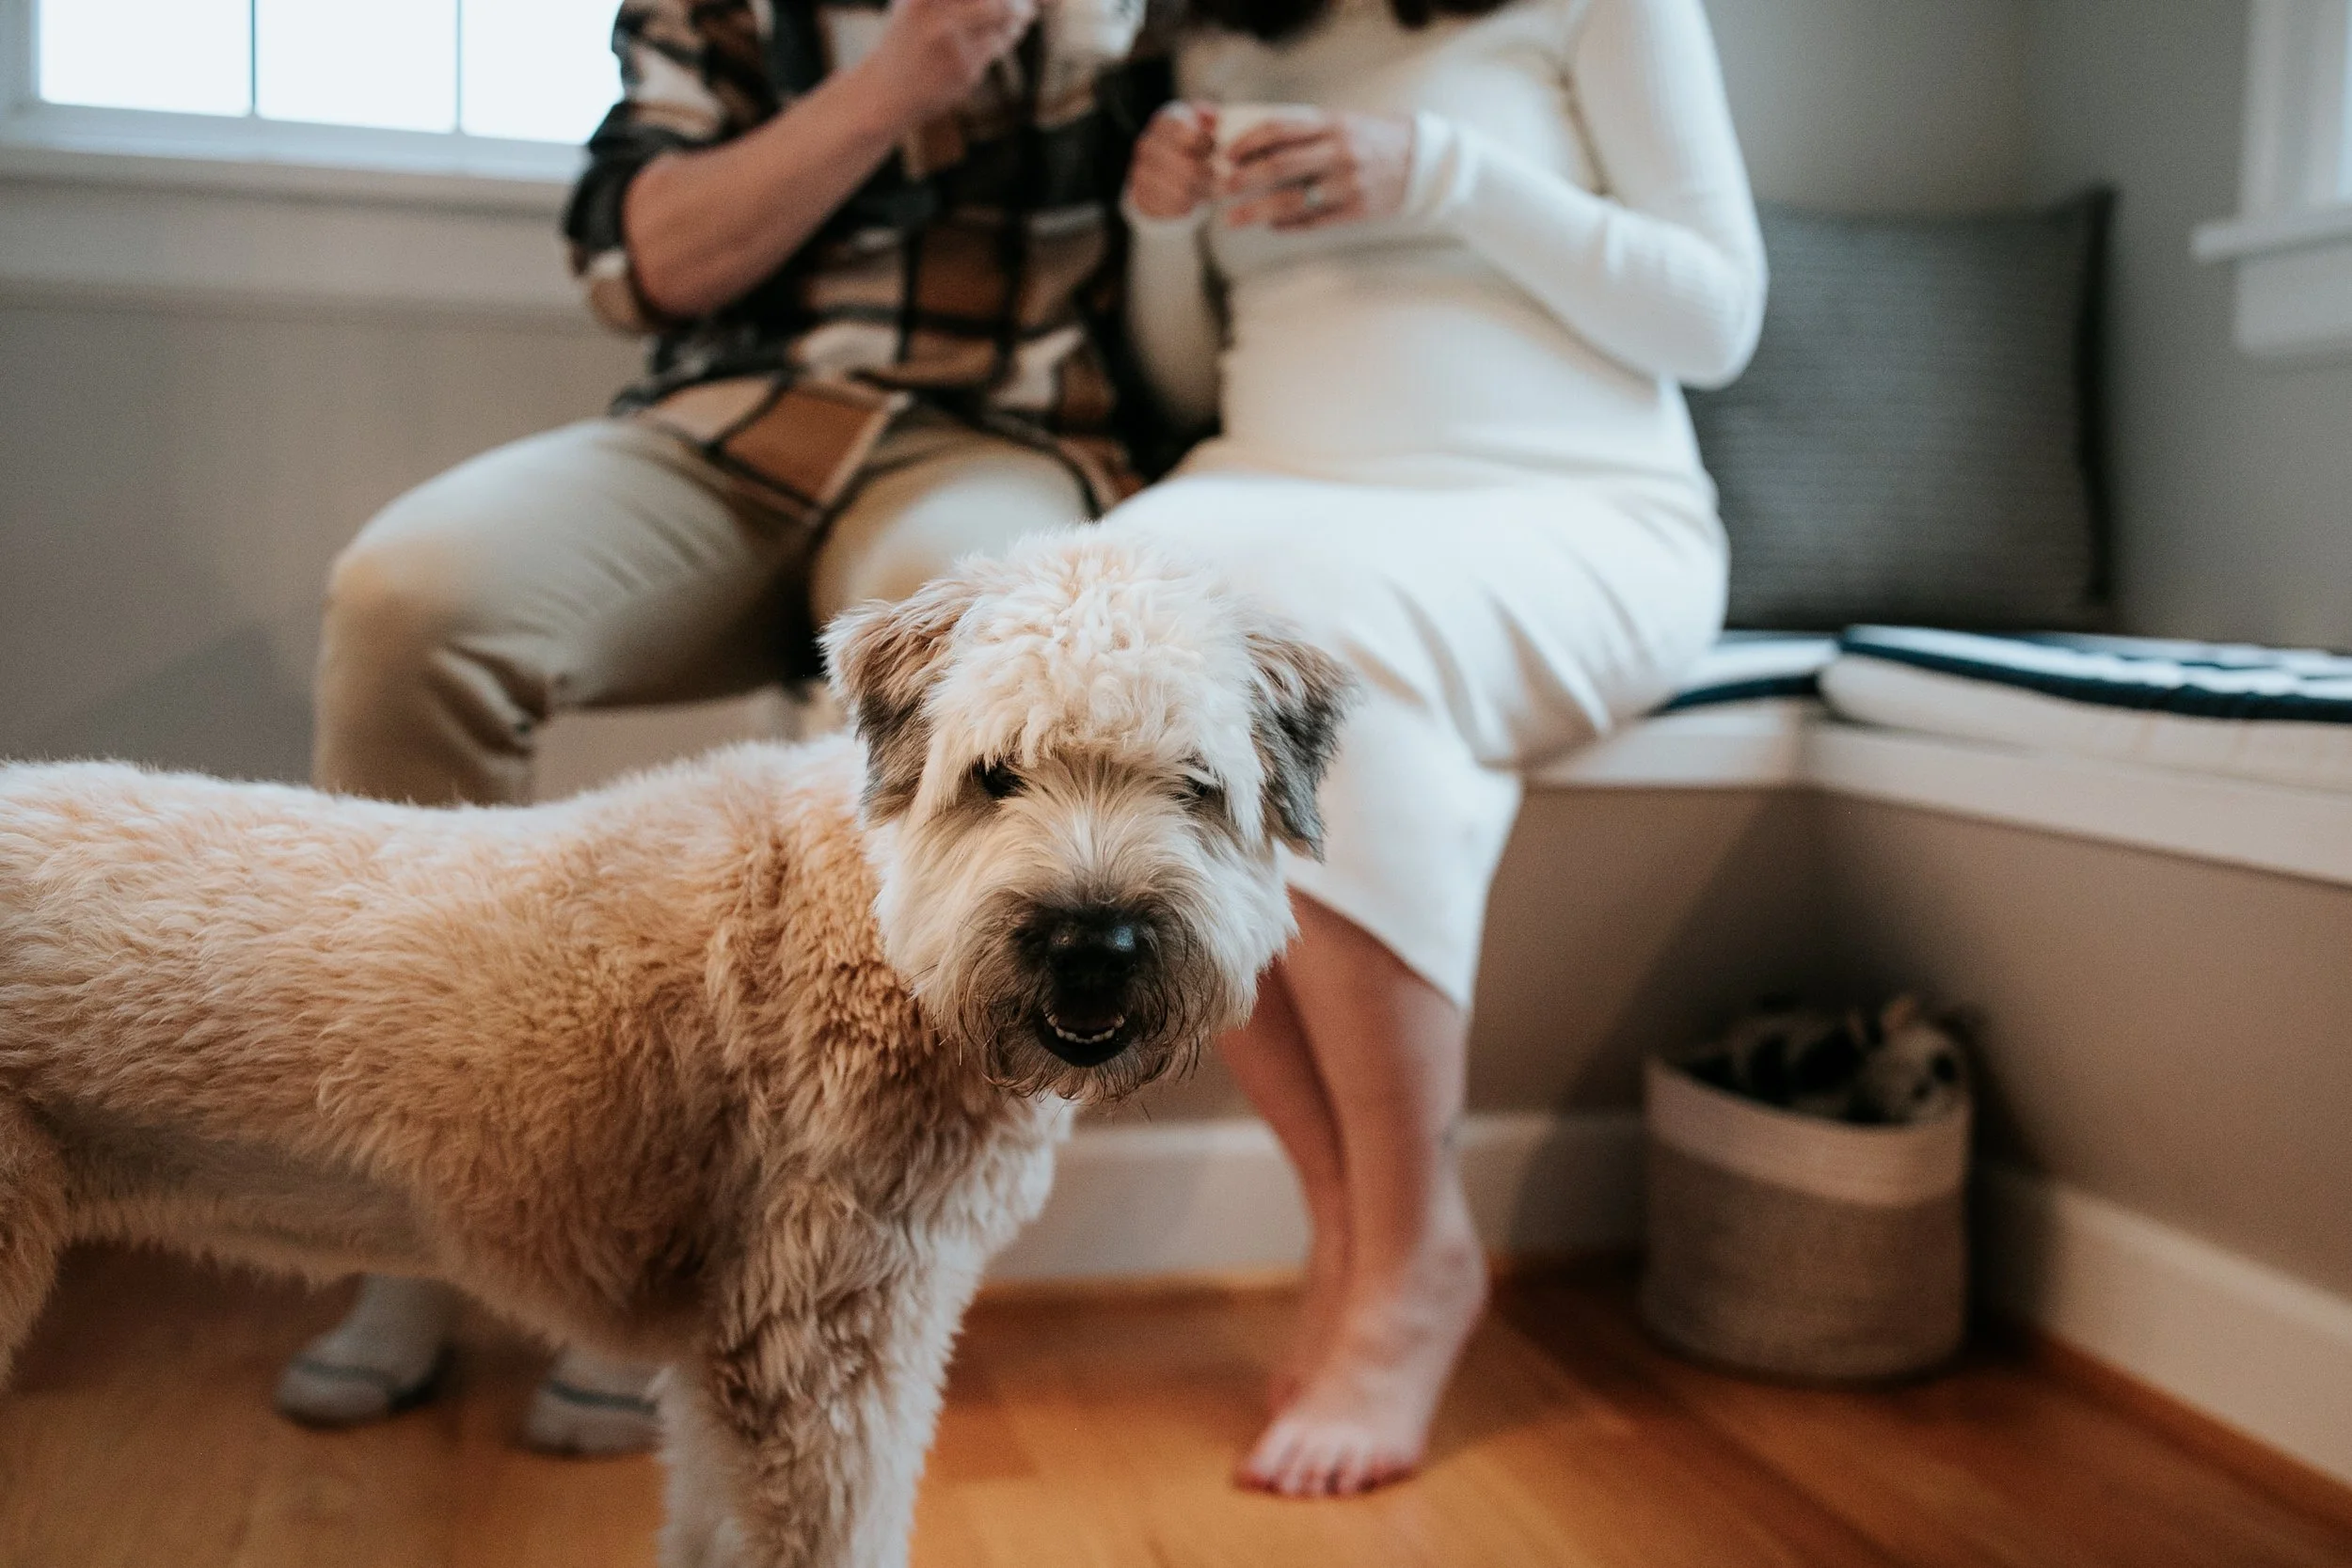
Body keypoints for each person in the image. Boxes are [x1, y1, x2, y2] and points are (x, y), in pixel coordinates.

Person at [274, 0, 1157, 1449]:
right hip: (723, 430)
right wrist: (897, 79)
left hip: (999, 436)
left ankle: (734, 1246)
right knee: (405, 599)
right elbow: (641, 262)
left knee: (942, 675)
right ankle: (404, 1236)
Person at [1109, 0, 1765, 1497]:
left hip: (1576, 510)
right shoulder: (1219, 32)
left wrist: (1444, 174)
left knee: (1323, 657)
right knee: (1111, 640)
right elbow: (1173, 382)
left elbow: (1719, 317)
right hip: (1273, 479)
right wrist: (1156, 230)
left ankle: (1405, 1253)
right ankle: (1355, 1217)